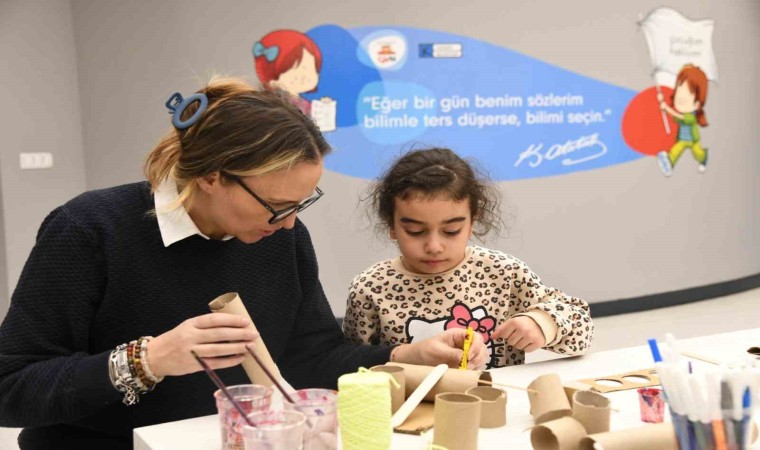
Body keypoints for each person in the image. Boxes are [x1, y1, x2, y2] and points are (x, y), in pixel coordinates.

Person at [0, 78, 486, 449]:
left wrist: (405, 356)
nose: (290, 223)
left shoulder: (280, 238)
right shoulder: (90, 229)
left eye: (302, 203)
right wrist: (150, 359)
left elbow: (310, 359)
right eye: (277, 206)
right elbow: (11, 389)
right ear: (212, 177)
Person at [343, 148, 594, 369]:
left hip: (495, 404)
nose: (434, 247)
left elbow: (582, 332)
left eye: (451, 231)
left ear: (472, 222)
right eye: (415, 231)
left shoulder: (504, 273)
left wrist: (543, 323)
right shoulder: (371, 288)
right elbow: (348, 363)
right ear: (392, 225)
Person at [656, 64, 710, 177]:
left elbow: (680, 117)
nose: (680, 98)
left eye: (688, 94)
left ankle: (704, 158)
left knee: (698, 154)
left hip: (693, 141)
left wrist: (667, 108)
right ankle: (669, 163)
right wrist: (664, 107)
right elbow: (676, 118)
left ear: (697, 104)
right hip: (682, 139)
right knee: (675, 150)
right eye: (679, 91)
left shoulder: (691, 117)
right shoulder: (681, 114)